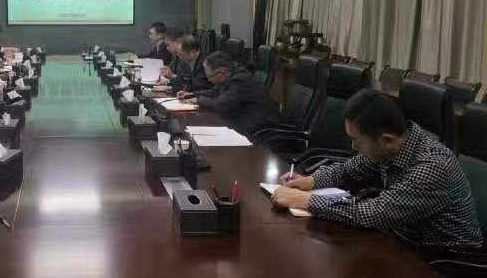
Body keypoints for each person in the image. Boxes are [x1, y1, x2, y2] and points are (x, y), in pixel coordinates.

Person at [273, 90, 483, 248]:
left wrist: (306, 200)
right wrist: (310, 181)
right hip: (404, 242)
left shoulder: (433, 168)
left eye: (357, 141)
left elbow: (375, 213)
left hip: (445, 261)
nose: (353, 147)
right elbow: (349, 170)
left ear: (387, 140)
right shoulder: (392, 146)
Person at [178, 51, 278, 134]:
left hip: (256, 129)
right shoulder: (230, 76)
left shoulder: (240, 81)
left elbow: (220, 104)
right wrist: (192, 95)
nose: (209, 80)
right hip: (239, 121)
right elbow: (213, 92)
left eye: (210, 77)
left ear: (222, 72)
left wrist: (197, 100)